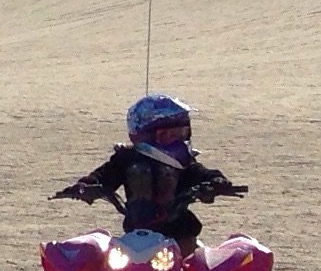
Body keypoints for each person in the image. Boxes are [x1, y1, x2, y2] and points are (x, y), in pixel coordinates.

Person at [57, 93, 243, 242]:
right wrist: (86, 185)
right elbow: (105, 175)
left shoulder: (184, 164)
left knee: (194, 266)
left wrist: (216, 182)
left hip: (180, 235)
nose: (177, 140)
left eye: (181, 133)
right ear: (144, 134)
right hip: (136, 237)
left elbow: (200, 173)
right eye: (169, 135)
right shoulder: (127, 158)